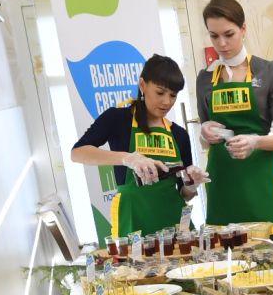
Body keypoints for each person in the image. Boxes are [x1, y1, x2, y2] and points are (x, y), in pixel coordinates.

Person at [67, 55, 204, 237]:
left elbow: (183, 194)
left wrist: (191, 186)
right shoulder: (118, 119)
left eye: (173, 95)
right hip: (133, 223)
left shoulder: (179, 134)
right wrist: (128, 158)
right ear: (142, 85)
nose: (167, 102)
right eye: (160, 92)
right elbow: (77, 153)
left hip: (175, 226)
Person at [195, 0, 273, 235]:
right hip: (223, 180)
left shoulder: (268, 71)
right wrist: (205, 131)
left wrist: (255, 141)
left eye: (229, 34)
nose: (222, 44)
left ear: (243, 29)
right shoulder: (205, 78)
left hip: (259, 177)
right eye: (214, 36)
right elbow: (205, 141)